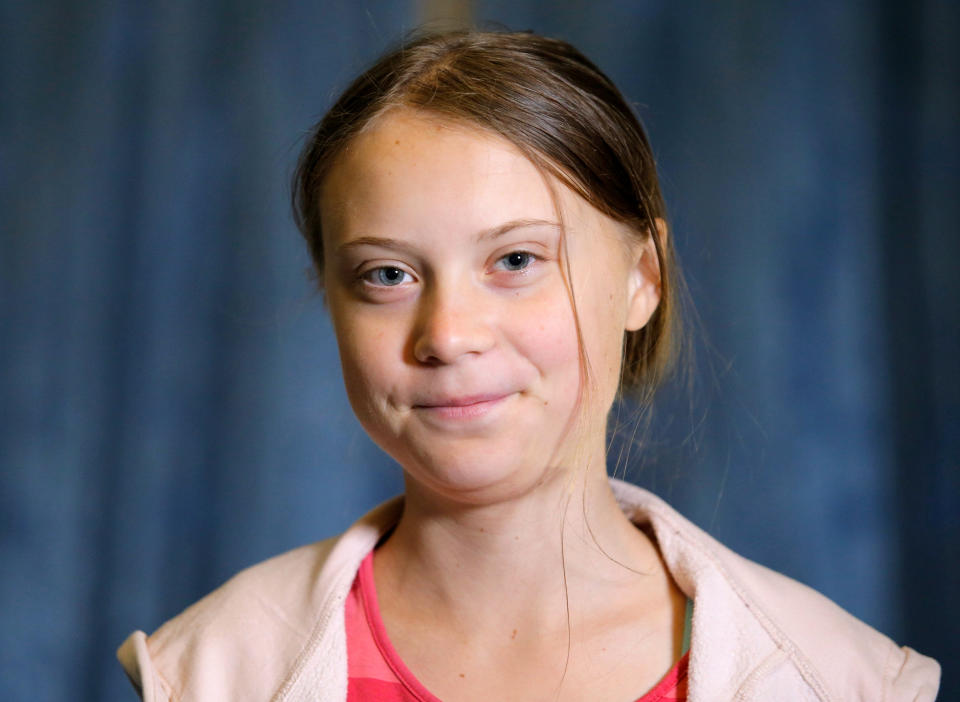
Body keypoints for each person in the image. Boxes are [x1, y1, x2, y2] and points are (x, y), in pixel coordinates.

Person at [117, 30, 940, 701]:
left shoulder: (843, 680)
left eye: (515, 260)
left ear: (641, 280)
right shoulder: (207, 673)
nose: (447, 333)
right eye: (388, 275)